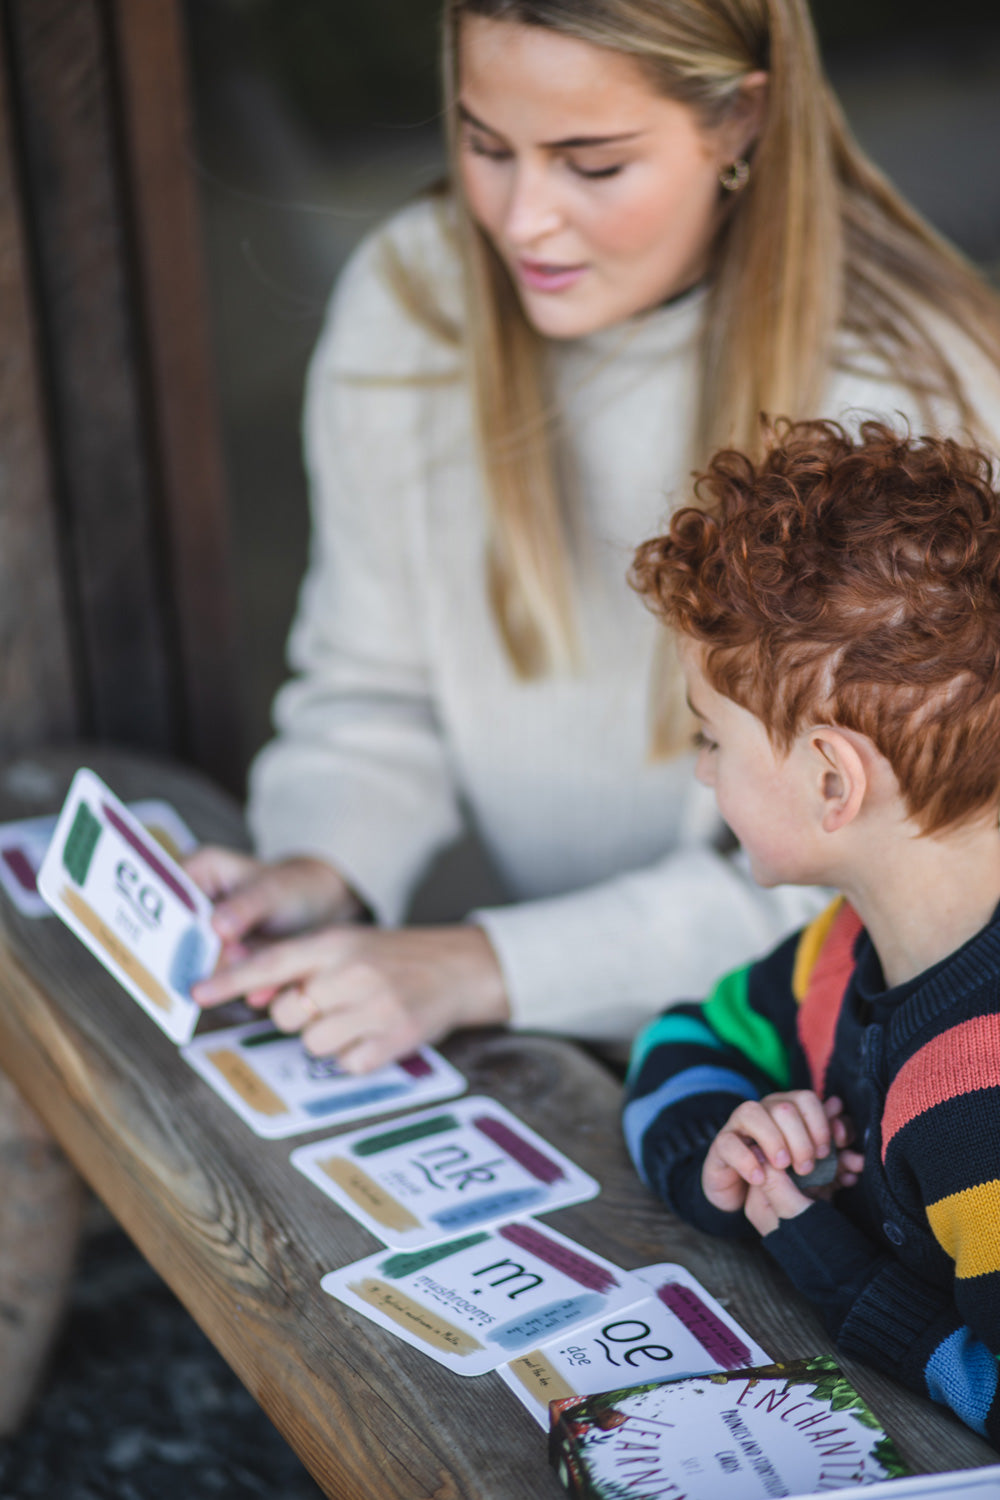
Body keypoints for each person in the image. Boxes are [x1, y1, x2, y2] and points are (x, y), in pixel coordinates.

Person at [190, 0, 1000, 1075]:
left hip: (820, 1062)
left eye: (592, 165)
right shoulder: (412, 300)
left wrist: (479, 964)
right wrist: (314, 866)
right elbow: (370, 691)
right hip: (556, 1030)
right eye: (485, 145)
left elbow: (876, 862)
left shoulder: (907, 395)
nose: (521, 219)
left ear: (740, 121)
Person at [623, 418, 1000, 1444]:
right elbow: (681, 1040)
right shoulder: (841, 955)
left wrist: (846, 1282)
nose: (703, 771)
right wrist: (723, 1153)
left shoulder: (984, 1113)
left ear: (833, 780)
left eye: (714, 738)